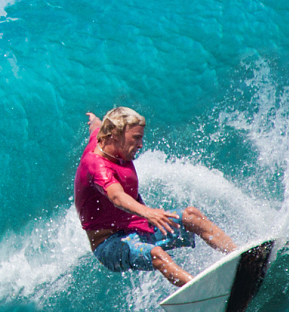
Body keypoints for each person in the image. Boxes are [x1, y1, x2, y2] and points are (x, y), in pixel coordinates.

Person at [76, 106, 237, 290]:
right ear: (115, 135)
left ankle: (239, 256)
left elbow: (97, 127)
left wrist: (94, 119)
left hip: (138, 227)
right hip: (110, 245)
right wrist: (148, 213)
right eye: (136, 138)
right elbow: (117, 196)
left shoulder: (105, 136)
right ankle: (203, 293)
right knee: (156, 253)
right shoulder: (96, 165)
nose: (141, 144)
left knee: (192, 215)